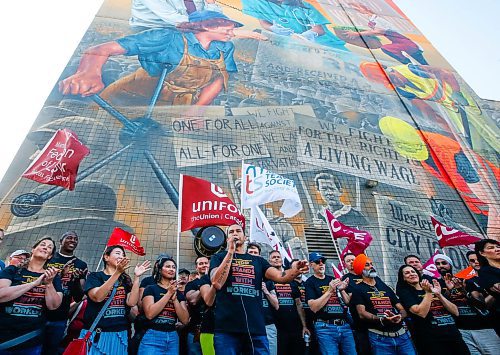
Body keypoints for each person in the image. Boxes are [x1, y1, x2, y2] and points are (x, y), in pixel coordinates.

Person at [59, 11, 242, 107]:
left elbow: (219, 79)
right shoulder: (167, 37)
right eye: (228, 29)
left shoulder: (224, 47)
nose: (232, 34)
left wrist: (197, 109)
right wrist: (88, 73)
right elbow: (102, 49)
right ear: (207, 26)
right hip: (130, 97)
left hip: (175, 105)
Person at [209, 223, 309, 355]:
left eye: (238, 231)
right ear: (227, 239)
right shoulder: (218, 258)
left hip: (256, 329)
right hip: (227, 330)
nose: (235, 233)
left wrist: (295, 271)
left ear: (244, 237)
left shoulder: (258, 261)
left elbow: (280, 276)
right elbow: (217, 282)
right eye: (231, 232)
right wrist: (230, 252)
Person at [82, 245, 151, 355]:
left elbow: (131, 302)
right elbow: (97, 297)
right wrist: (117, 273)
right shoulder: (95, 276)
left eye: (123, 255)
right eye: (118, 253)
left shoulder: (125, 280)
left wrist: (137, 277)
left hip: (119, 332)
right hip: (98, 333)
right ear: (106, 257)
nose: (121, 256)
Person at [0, 237, 63, 354]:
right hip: (4, 336)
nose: (45, 247)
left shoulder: (53, 277)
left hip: (31, 339)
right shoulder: (13, 270)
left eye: (49, 247)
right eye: (42, 244)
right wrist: (34, 283)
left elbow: (54, 306)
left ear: (50, 256)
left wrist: (48, 284)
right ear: (33, 250)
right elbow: (1, 295)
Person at [395, 264, 469, 354]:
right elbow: (421, 313)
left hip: (454, 336)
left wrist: (439, 294)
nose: (411, 274)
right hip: (432, 340)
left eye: (413, 271)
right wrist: (428, 293)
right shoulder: (406, 293)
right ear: (403, 278)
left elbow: (456, 311)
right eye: (407, 273)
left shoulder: (434, 290)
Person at [435, 251, 500, 354]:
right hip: (462, 329)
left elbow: (481, 304)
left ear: (450, 265)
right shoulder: (436, 284)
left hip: (483, 326)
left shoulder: (465, 279)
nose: (441, 266)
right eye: (437, 264)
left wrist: (463, 290)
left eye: (444, 263)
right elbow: (443, 303)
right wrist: (450, 290)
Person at [350, 254, 415, 355]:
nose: (371, 266)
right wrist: (381, 319)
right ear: (360, 269)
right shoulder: (358, 289)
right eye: (367, 265)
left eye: (371, 264)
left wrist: (400, 316)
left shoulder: (384, 287)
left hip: (402, 336)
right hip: (379, 338)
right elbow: (361, 313)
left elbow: (400, 308)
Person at [43, 231, 88, 355]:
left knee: (51, 350)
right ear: (61, 241)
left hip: (60, 316)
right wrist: (60, 274)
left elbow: (80, 295)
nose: (73, 240)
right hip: (40, 313)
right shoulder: (49, 259)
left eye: (75, 239)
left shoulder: (80, 265)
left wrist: (77, 280)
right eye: (69, 237)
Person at [241, 0, 347, 50]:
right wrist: (272, 28)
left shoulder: (305, 6)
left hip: (323, 42)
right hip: (293, 45)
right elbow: (264, 22)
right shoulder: (260, 4)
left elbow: (319, 30)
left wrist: (306, 36)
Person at [305, 252, 356, 355]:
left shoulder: (332, 279)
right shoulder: (310, 282)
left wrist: (342, 290)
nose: (321, 264)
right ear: (311, 265)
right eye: (317, 262)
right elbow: (314, 307)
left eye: (323, 261)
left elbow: (348, 303)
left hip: (344, 325)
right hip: (325, 327)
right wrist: (329, 290)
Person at [139, 256, 189, 354]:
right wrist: (169, 294)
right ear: (160, 269)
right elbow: (150, 314)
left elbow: (185, 320)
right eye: (168, 266)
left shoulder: (178, 293)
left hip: (172, 336)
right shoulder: (151, 289)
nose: (171, 269)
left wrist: (175, 300)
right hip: (152, 335)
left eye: (174, 267)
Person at [268, 250, 309, 355]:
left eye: (278, 257)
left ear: (282, 260)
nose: (276, 259)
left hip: (294, 325)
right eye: (273, 257)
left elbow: (298, 303)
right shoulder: (268, 279)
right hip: (277, 326)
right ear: (269, 261)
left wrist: (304, 325)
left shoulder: (291, 279)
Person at [247, 243, 279, 355]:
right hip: (248, 326)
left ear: (260, 257)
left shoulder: (268, 280)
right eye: (250, 253)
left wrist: (266, 291)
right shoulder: (241, 278)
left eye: (255, 253)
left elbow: (276, 305)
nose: (253, 255)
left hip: (268, 326)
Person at [130, 0, 222, 29]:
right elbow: (172, 17)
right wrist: (208, 24)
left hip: (185, 27)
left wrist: (211, 3)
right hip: (150, 28)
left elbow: (215, 16)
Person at [185, 256, 210, 355]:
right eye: (201, 263)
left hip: (215, 329)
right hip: (195, 330)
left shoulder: (217, 281)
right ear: (196, 267)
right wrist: (206, 283)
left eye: (206, 263)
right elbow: (193, 300)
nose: (204, 265)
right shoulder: (191, 284)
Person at [475, 239, 500, 335]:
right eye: (491, 248)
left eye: (498, 246)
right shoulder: (485, 271)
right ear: (482, 253)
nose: (497, 249)